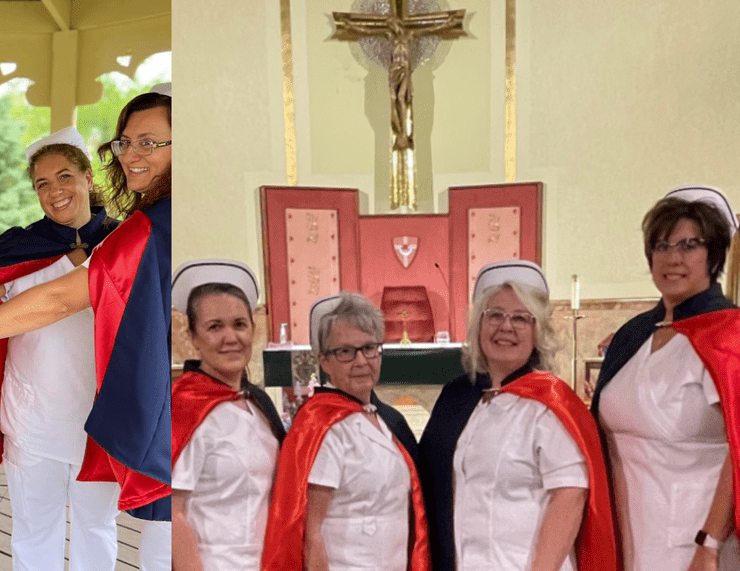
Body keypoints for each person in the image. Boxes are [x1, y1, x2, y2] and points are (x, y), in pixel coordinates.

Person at [0, 85, 172, 570]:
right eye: (41, 184)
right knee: (33, 529)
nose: (54, 191)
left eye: (64, 176)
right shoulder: (19, 248)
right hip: (33, 417)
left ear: (89, 178)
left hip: (99, 415)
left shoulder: (125, 240)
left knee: (95, 528)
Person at [419, 260, 616, 571]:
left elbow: (570, 495)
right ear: (479, 325)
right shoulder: (458, 398)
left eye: (521, 318)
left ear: (538, 331)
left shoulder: (551, 404)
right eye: (495, 315)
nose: (506, 327)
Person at [593, 186, 740, 571]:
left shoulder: (730, 336)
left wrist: (709, 543)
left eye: (689, 245)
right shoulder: (633, 334)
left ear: (714, 256)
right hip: (628, 535)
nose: (672, 258)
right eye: (661, 245)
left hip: (696, 544)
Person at [261, 292, 427, 571]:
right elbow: (310, 533)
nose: (361, 361)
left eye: (369, 348)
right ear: (325, 361)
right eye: (345, 352)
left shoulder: (384, 420)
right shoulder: (323, 426)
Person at [171, 259, 285, 571]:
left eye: (239, 324)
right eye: (214, 327)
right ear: (193, 337)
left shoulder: (258, 405)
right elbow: (173, 509)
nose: (230, 338)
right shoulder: (186, 407)